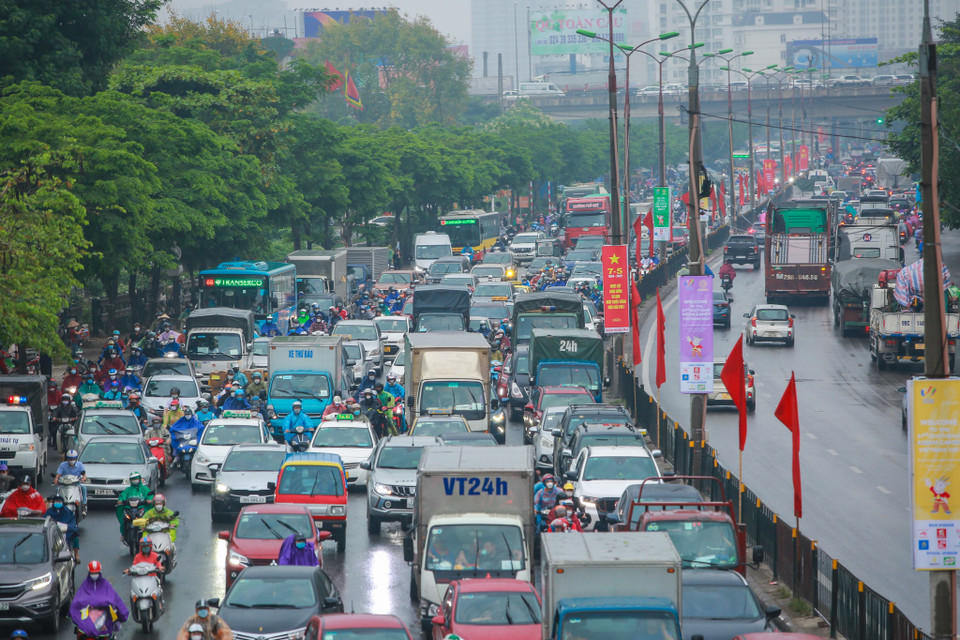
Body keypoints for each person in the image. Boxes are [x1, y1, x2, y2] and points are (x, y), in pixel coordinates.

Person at [69, 561, 128, 639]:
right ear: (89, 573)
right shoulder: (85, 585)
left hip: (104, 618)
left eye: (96, 573)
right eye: (92, 573)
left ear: (100, 572)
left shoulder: (105, 584)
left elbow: (116, 600)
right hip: (87, 618)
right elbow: (77, 601)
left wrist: (122, 614)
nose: (94, 575)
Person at [45, 495, 80, 561]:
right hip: (52, 530)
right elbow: (45, 521)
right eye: (56, 501)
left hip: (66, 530)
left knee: (75, 535)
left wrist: (67, 527)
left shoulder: (67, 511)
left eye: (59, 501)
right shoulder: (49, 511)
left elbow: (72, 522)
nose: (58, 503)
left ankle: (76, 555)